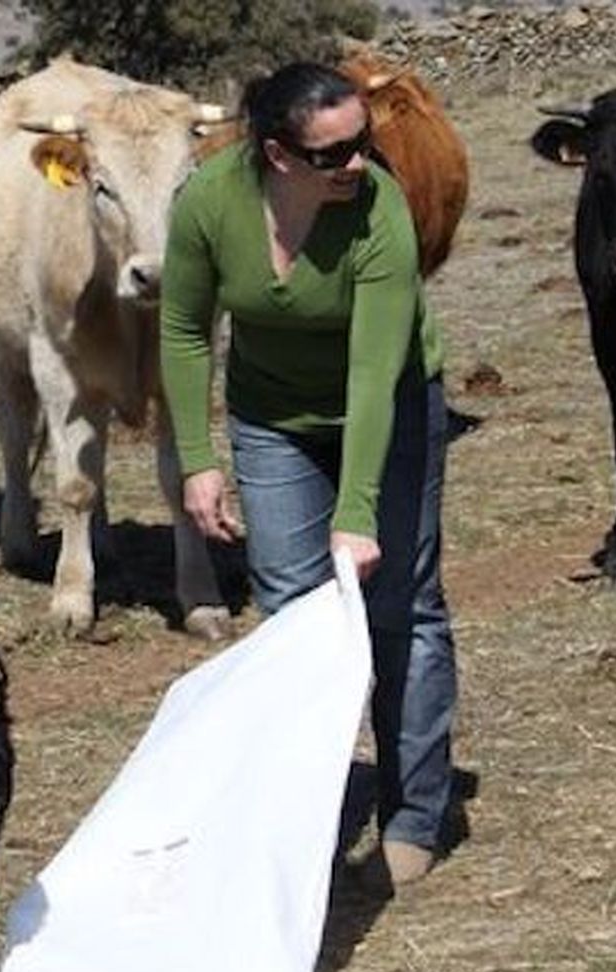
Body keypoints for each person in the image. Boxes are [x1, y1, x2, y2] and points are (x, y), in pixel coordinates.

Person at [159, 61, 457, 889]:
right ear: (277, 154)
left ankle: (414, 813)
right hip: (271, 418)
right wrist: (198, 460)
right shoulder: (211, 203)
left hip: (390, 402)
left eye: (363, 142)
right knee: (291, 612)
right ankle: (303, 816)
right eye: (334, 153)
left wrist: (356, 510)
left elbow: (374, 372)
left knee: (402, 604)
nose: (358, 163)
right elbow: (184, 330)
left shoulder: (379, 210)